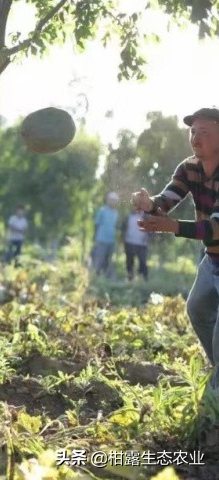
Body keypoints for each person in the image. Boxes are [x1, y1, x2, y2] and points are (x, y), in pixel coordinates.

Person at [133, 107, 219, 392]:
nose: (196, 137)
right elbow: (167, 200)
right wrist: (149, 204)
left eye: (205, 132)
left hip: (214, 245)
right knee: (196, 309)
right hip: (213, 258)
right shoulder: (189, 167)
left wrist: (171, 227)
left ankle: (213, 402)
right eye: (193, 132)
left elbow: (215, 228)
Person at [92, 192, 119, 277]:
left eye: (114, 200)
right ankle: (97, 277)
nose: (112, 202)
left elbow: (115, 226)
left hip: (111, 240)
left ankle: (106, 277)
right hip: (101, 239)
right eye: (111, 200)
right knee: (99, 259)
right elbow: (96, 224)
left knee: (108, 259)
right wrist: (95, 238)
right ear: (108, 200)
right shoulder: (102, 210)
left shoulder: (116, 213)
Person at [122, 207, 149, 281]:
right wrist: (123, 237)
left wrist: (148, 236)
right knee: (129, 261)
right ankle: (130, 277)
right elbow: (124, 228)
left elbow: (152, 230)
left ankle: (143, 278)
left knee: (142, 261)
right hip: (130, 242)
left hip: (142, 244)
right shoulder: (129, 216)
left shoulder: (146, 217)